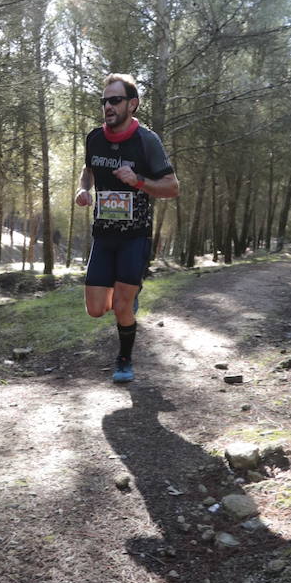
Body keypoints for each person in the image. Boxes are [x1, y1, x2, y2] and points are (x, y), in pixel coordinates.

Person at [75, 74, 179, 382]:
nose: (108, 106)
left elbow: (172, 187)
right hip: (103, 236)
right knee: (95, 309)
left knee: (121, 306)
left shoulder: (147, 141)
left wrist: (139, 181)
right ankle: (126, 299)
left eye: (115, 100)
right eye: (104, 100)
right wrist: (83, 189)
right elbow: (88, 169)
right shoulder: (94, 137)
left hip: (135, 237)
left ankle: (124, 359)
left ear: (132, 104)